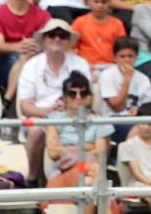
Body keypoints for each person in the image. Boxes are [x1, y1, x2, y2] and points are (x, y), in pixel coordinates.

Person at [18, 18, 91, 185]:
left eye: (62, 35)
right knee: (36, 130)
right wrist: (50, 111)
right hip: (41, 116)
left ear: (68, 41)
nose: (57, 39)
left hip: (72, 115)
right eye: (52, 35)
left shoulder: (80, 64)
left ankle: (74, 180)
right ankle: (32, 180)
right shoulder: (31, 65)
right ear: (44, 39)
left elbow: (88, 97)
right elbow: (25, 106)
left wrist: (67, 107)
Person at [43, 71, 112, 213]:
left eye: (83, 93)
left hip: (89, 170)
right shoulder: (54, 118)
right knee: (94, 179)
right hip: (64, 171)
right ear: (65, 97)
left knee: (90, 179)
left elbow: (100, 152)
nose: (78, 98)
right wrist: (87, 146)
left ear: (89, 97)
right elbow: (52, 152)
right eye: (72, 94)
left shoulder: (99, 120)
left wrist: (67, 149)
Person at [100, 36, 151, 143]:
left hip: (138, 120)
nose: (127, 60)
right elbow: (117, 107)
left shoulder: (144, 79)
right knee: (138, 130)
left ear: (136, 57)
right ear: (115, 58)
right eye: (122, 56)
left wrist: (139, 111)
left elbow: (150, 108)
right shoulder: (107, 75)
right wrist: (127, 78)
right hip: (112, 120)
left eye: (130, 56)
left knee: (145, 128)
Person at [71, 0, 126, 73]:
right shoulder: (79, 22)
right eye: (96, 1)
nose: (99, 5)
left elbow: (122, 49)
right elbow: (71, 48)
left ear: (109, 2)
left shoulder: (117, 24)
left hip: (111, 67)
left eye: (103, 2)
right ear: (89, 1)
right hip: (87, 67)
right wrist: (82, 65)